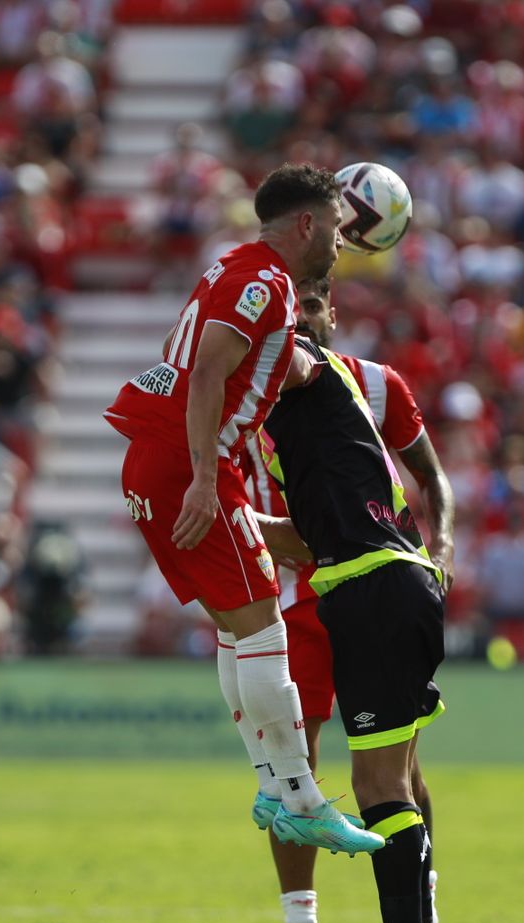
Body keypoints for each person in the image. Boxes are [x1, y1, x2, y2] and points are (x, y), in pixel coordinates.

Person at [103, 164, 382, 855]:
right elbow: (206, 371)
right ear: (308, 224)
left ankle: (272, 784)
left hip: (156, 457)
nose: (342, 246)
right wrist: (204, 478)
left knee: (238, 627)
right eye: (339, 232)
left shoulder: (243, 271)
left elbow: (271, 363)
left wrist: (319, 371)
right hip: (189, 462)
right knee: (263, 627)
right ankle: (302, 796)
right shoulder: (263, 282)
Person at [240, 277, 456, 923]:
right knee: (305, 771)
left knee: (393, 778)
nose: (295, 318)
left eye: (307, 304)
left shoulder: (354, 379)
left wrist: (443, 539)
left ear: (328, 312)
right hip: (311, 598)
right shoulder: (256, 414)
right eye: (282, 307)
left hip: (364, 583)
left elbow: (429, 476)